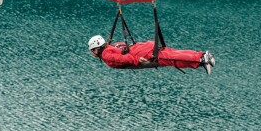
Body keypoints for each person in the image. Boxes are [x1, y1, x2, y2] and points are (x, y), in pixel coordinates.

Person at [87, 35, 216, 74]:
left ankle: (201, 59)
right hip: (143, 46)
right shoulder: (112, 45)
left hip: (143, 53)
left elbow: (123, 58)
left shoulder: (106, 54)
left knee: (171, 58)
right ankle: (202, 56)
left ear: (96, 49)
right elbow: (123, 49)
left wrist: (137, 60)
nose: (92, 53)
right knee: (173, 53)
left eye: (92, 50)